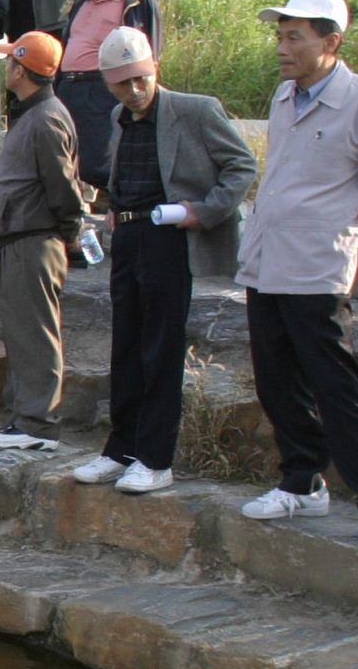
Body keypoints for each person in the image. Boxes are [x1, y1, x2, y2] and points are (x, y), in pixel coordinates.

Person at [236, 0, 358, 548]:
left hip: (317, 265)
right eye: (280, 36)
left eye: (295, 37)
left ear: (330, 41)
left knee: (336, 384)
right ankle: (303, 482)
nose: (282, 47)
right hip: (268, 259)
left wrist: (341, 218)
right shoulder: (284, 96)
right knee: (277, 378)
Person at [70, 26, 258, 496]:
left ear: (154, 69)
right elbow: (124, 167)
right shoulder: (119, 116)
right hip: (130, 237)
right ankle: (122, 448)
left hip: (170, 238)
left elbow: (242, 166)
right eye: (122, 83)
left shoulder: (196, 109)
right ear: (107, 83)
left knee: (161, 347)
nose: (134, 91)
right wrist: (116, 208)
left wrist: (205, 210)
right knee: (127, 346)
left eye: (140, 79)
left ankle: (156, 457)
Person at [0, 31, 87, 452]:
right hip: (22, 241)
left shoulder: (45, 119)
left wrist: (69, 231)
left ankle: (37, 425)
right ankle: (24, 420)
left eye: (11, 61)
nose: (6, 66)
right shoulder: (36, 115)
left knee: (35, 334)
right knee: (23, 333)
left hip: (34, 241)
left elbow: (63, 188)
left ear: (21, 69)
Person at [50, 0, 161, 187]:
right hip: (68, 86)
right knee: (65, 157)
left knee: (97, 162)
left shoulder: (138, 1)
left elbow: (150, 53)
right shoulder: (81, 1)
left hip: (101, 88)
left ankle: (113, 207)